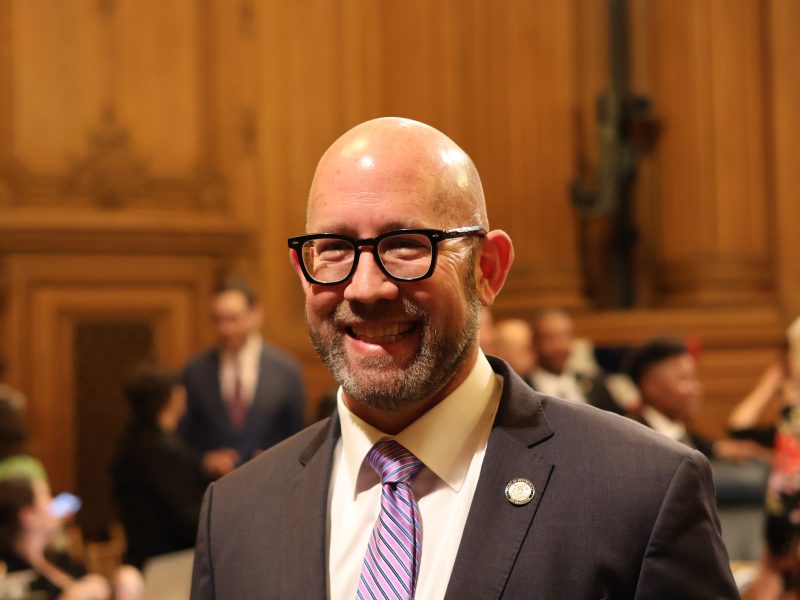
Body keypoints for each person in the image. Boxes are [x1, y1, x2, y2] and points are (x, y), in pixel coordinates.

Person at [190, 117, 737, 598]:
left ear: (488, 269)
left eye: (406, 243)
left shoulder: (640, 492)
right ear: (302, 270)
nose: (366, 287)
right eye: (334, 248)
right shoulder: (235, 516)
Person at [178, 277, 306, 478]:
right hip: (214, 487)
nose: (225, 328)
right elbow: (182, 439)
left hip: (271, 485)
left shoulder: (286, 371)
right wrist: (204, 459)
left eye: (233, 318)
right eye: (218, 319)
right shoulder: (196, 371)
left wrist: (275, 457)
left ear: (255, 315)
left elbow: (300, 436)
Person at [112, 364, 210, 570]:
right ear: (172, 397)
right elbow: (190, 520)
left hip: (139, 558)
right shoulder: (165, 453)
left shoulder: (129, 441)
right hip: (168, 566)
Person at [0, 466, 142, 600]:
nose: (53, 504)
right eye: (47, 496)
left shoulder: (60, 559)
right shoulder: (10, 575)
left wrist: (120, 590)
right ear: (28, 517)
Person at [529, 307, 626, 415]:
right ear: (534, 343)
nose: (559, 346)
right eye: (549, 338)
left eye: (564, 336)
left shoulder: (595, 385)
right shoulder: (522, 389)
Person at [493, 318, 536, 385]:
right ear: (502, 351)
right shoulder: (495, 386)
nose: (534, 353)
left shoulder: (534, 380)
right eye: (525, 348)